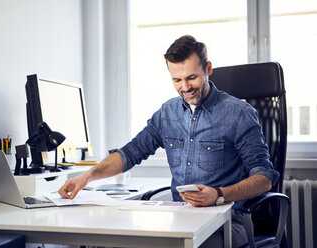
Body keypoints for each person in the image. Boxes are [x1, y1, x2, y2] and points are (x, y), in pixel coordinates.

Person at [58, 35, 279, 247]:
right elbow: (131, 153)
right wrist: (88, 176)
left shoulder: (239, 114)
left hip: (226, 221)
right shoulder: (167, 114)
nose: (185, 87)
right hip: (179, 218)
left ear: (208, 69)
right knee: (116, 240)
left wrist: (219, 194)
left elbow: (264, 178)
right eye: (177, 80)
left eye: (191, 77)